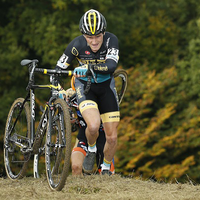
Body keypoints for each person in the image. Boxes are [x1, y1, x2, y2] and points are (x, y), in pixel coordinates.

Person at [56, 9, 120, 175]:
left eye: (97, 36)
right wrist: (59, 90)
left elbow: (111, 66)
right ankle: (91, 150)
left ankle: (106, 167)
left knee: (112, 137)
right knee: (93, 126)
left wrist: (90, 67)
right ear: (83, 35)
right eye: (89, 37)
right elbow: (58, 70)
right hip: (85, 87)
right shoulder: (76, 45)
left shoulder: (111, 40)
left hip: (106, 87)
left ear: (103, 33)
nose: (93, 41)